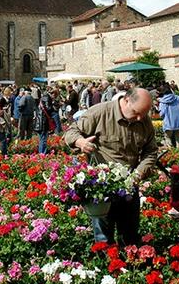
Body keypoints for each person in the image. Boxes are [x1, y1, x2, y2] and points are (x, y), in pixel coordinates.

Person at [64, 88, 157, 247]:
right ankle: (105, 265)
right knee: (103, 239)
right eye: (136, 112)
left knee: (130, 237)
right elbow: (71, 132)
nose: (140, 117)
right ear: (126, 100)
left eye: (144, 113)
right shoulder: (100, 113)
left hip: (129, 186)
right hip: (102, 188)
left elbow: (151, 151)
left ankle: (128, 268)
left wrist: (139, 174)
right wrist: (81, 142)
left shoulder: (144, 121)